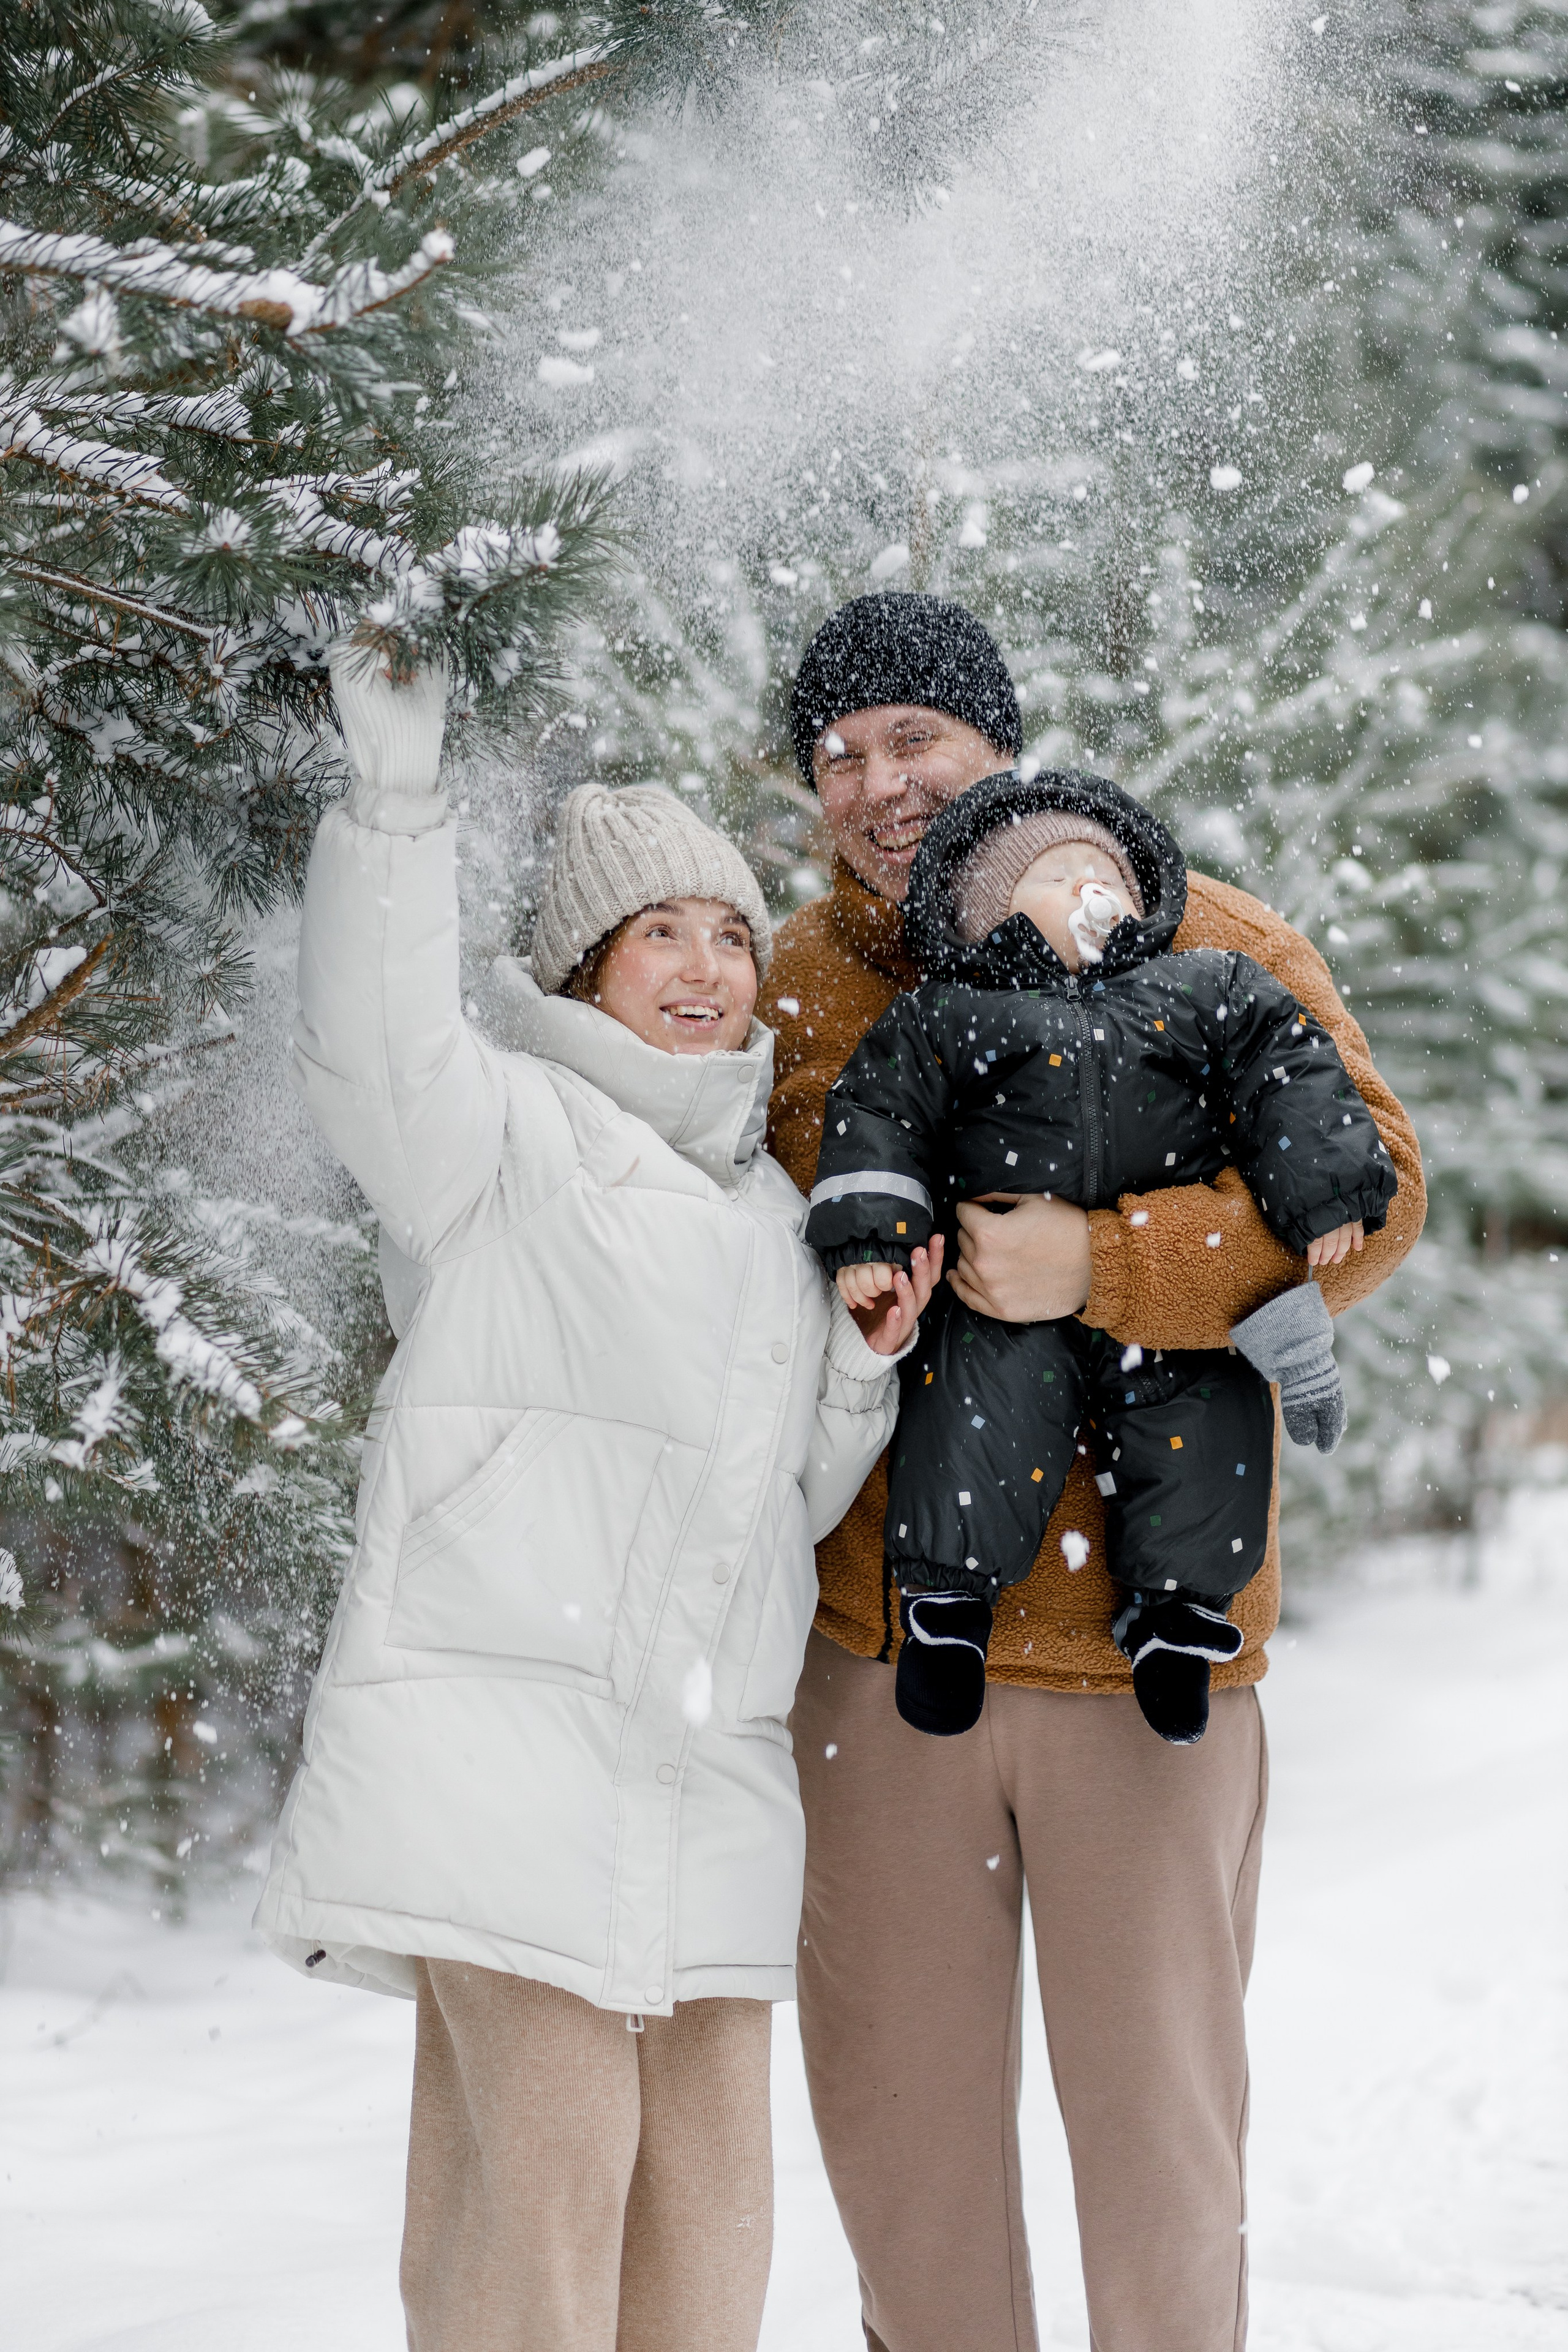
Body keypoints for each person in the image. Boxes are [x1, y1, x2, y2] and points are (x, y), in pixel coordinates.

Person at [757, 590, 1427, 2352]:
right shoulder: (799, 982)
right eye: (839, 757)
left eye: (918, 741)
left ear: (1001, 744)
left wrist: (1104, 1267)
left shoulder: (1205, 933)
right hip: (889, 1649)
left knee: (1161, 2168)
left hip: (1152, 1648)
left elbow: (1378, 1198)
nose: (881, 786)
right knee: (906, 2165)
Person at [254, 641, 935, 2352]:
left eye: (727, 932)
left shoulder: (780, 1220)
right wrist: (396, 800)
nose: (706, 966)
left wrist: (862, 1360)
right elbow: (377, 1041)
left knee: (709, 2257)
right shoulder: (500, 1140)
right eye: (659, 934)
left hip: (701, 1789)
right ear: (584, 967)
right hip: (503, 1772)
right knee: (536, 2235)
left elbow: (782, 1510)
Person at [807, 764, 1397, 1743]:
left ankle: (1179, 1620)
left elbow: (1288, 1061)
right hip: (997, 1301)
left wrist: (1323, 1185)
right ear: (994, 913)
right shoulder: (952, 1012)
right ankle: (947, 1607)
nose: (1092, 887)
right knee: (973, 1414)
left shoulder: (1204, 980)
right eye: (1058, 874)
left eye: (1106, 872)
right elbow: (878, 1109)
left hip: (1166, 1312)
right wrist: (876, 1232)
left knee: (1205, 1417)